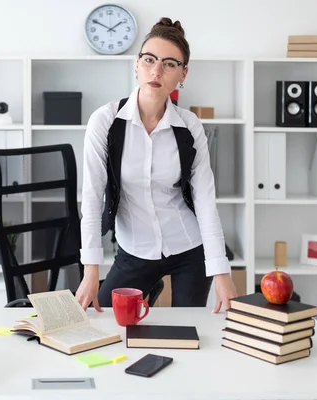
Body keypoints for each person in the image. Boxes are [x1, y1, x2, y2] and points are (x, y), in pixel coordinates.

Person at [75, 17, 238, 314]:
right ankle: (149, 283)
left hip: (189, 247)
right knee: (106, 320)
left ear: (182, 74)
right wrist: (90, 271)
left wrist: (222, 272)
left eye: (169, 64)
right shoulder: (106, 121)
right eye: (149, 60)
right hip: (134, 250)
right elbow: (91, 197)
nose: (156, 71)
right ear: (136, 65)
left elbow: (204, 201)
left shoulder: (189, 127)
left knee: (189, 331)